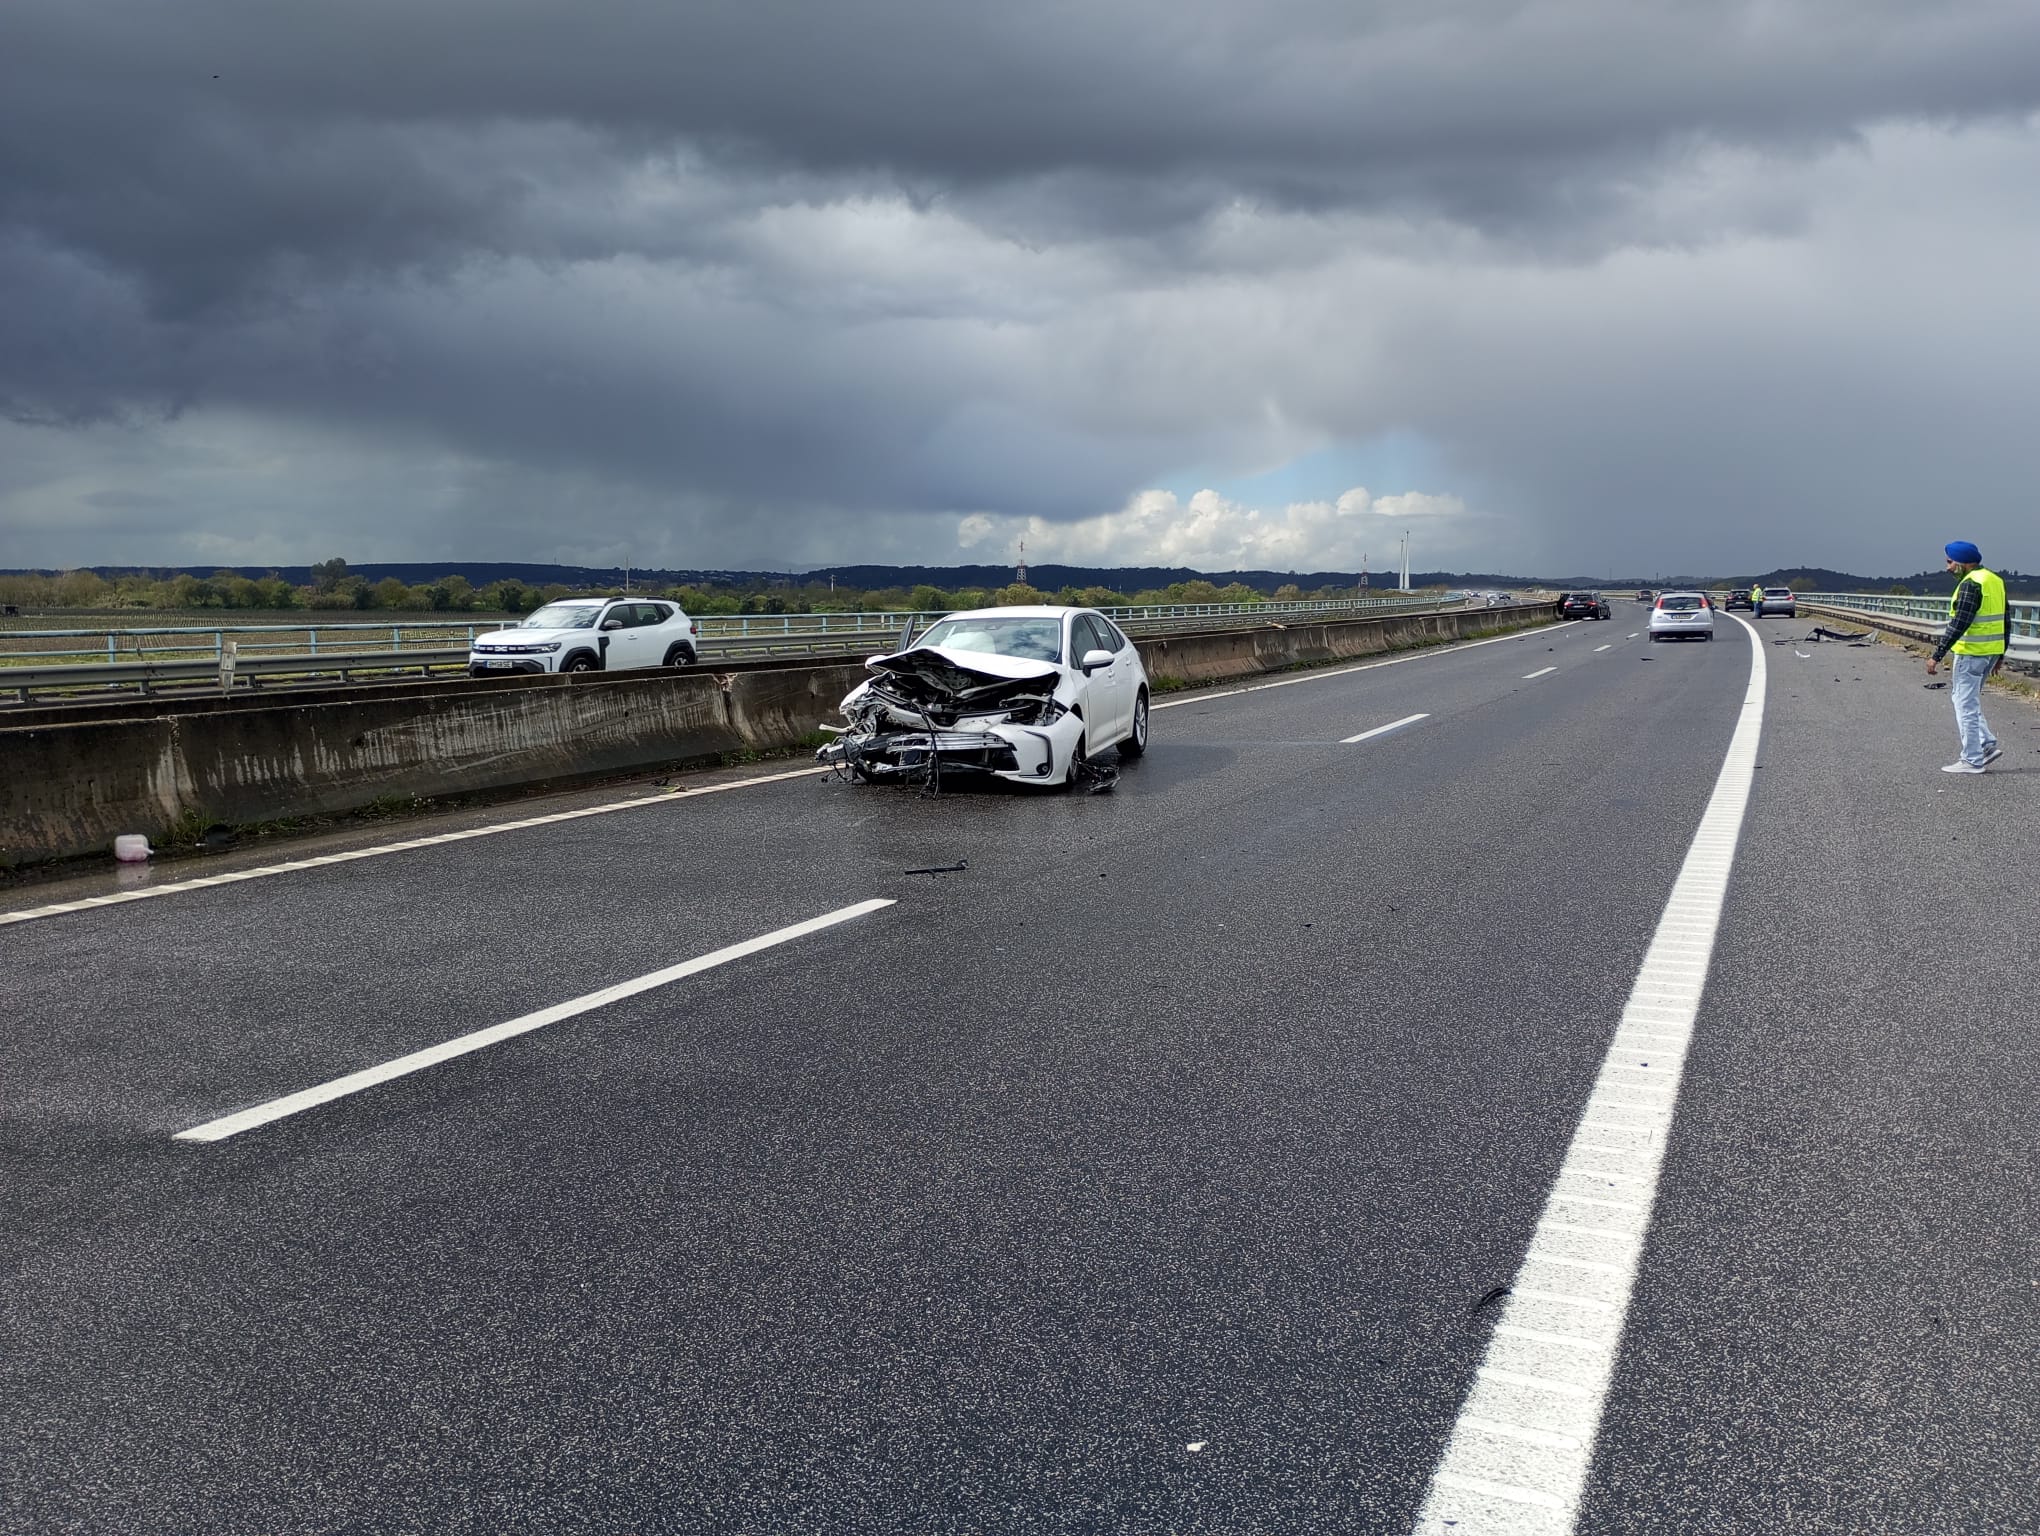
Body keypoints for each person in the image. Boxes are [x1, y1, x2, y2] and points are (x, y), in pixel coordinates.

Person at [1924, 540, 2006, 774]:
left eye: (1950, 562)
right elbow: (2005, 619)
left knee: (1964, 705)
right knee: (1968, 701)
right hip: (1989, 653)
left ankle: (1972, 759)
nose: (1948, 567)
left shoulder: (1970, 585)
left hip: (1971, 653)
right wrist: (2001, 653)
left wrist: (1936, 656)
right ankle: (1987, 744)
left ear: (1962, 563)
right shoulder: (1994, 580)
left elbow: (1959, 623)